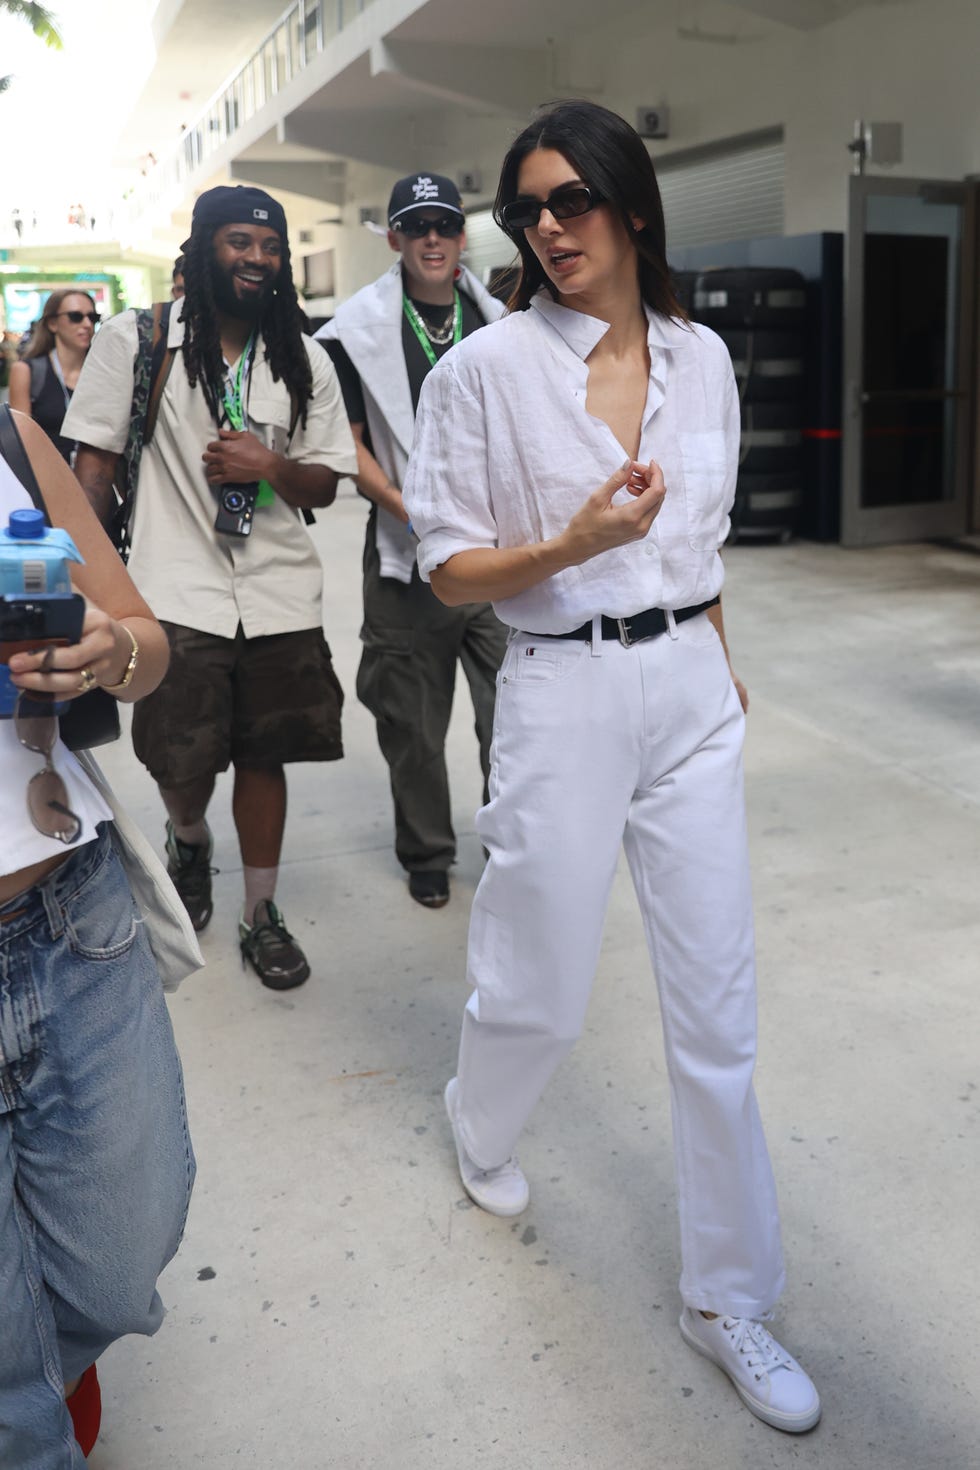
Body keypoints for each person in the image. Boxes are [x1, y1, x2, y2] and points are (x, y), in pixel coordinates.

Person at [402, 101, 821, 1435]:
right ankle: (483, 1114)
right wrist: (571, 544)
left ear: (634, 206)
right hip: (562, 684)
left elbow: (701, 539)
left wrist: (718, 642)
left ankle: (729, 1297)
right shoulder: (483, 372)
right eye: (527, 207)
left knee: (718, 1005)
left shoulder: (704, 358)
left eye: (572, 198)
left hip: (690, 689)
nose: (547, 225)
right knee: (541, 981)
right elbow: (450, 566)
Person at [64, 185, 358, 989]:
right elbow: (91, 473)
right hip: (173, 588)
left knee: (267, 754)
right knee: (180, 758)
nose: (257, 259)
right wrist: (88, 589)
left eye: (269, 247)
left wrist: (271, 467)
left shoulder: (306, 358)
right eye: (239, 243)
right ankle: (188, 838)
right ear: (202, 250)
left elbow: (326, 485)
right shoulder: (138, 339)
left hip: (279, 592)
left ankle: (261, 912)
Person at [0, 409, 195, 1466]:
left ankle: (33, 1370)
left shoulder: (8, 435)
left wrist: (110, 649)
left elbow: (146, 642)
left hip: (69, 919)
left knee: (124, 1256)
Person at [316, 174, 506, 909]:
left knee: (515, 716)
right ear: (393, 238)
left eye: (445, 225)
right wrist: (417, 515)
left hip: (495, 557)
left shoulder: (497, 320)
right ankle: (428, 853)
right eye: (416, 225)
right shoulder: (357, 332)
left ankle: (509, 842)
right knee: (413, 725)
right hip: (405, 559)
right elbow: (351, 444)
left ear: (463, 238)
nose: (432, 238)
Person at [7, 289, 99, 463]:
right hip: (48, 481)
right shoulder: (26, 371)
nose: (87, 324)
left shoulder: (104, 372)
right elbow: (20, 442)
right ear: (52, 324)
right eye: (75, 316)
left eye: (93, 317)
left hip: (96, 483)